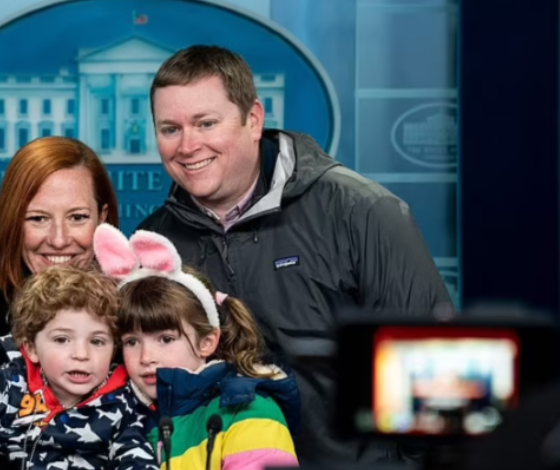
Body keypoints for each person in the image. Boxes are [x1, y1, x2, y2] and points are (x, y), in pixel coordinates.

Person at [137, 45, 453, 464]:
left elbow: (434, 379)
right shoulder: (156, 243)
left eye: (206, 123)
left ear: (253, 120)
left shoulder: (360, 212)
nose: (188, 145)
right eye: (170, 129)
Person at [0, 137, 121, 458]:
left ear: (103, 218)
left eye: (77, 217)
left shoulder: (135, 321)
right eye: (38, 218)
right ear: (13, 223)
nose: (59, 239)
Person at [93, 223, 299, 470]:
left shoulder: (247, 409)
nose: (146, 357)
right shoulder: (113, 418)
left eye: (166, 339)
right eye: (132, 342)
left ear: (207, 342)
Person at [0, 265, 157, 470]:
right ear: (32, 348)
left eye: (97, 341)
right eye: (62, 340)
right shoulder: (5, 387)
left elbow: (137, 458)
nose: (81, 354)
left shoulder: (125, 404)